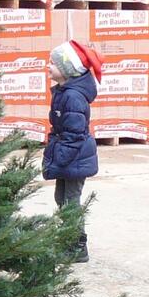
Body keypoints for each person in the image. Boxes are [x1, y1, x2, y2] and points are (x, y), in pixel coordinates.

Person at [44, 40, 103, 263]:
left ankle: (77, 246)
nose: (48, 66)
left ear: (68, 70)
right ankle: (68, 238)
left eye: (53, 63)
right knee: (62, 198)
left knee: (70, 201)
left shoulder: (72, 97)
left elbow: (75, 133)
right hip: (69, 157)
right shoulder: (63, 92)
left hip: (74, 158)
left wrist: (59, 157)